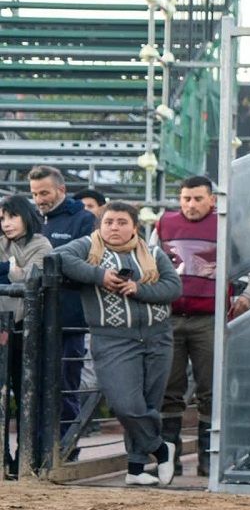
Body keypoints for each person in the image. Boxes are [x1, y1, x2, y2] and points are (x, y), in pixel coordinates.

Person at [57, 201, 182, 486]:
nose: (114, 227)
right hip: (112, 339)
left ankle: (136, 468)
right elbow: (58, 258)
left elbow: (173, 288)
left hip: (158, 336)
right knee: (125, 404)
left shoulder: (153, 252)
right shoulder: (87, 248)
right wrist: (99, 275)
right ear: (100, 225)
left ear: (134, 227)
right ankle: (161, 449)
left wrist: (139, 289)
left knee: (149, 402)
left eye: (122, 222)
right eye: (109, 221)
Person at [153, 175, 220, 476]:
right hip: (171, 316)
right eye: (185, 199)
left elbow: (247, 264)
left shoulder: (224, 224)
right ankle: (170, 459)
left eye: (197, 199)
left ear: (212, 200)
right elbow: (150, 262)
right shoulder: (164, 224)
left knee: (210, 388)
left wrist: (246, 297)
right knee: (170, 388)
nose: (191, 205)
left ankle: (208, 459)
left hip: (209, 318)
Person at [29, 166, 95, 436]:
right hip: (33, 318)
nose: (39, 199)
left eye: (44, 192)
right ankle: (33, 451)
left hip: (69, 320)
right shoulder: (31, 219)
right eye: (34, 193)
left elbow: (85, 263)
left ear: (61, 190)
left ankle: (66, 451)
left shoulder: (84, 220)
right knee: (33, 387)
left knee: (65, 385)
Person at [0, 195, 52, 477]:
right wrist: (11, 269)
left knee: (26, 396)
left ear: (25, 216)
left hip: (27, 330)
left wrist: (10, 271)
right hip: (1, 327)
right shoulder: (2, 242)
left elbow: (32, 278)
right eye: (2, 218)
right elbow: (17, 275)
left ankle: (25, 458)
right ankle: (3, 458)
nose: (6, 224)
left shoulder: (41, 244)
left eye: (11, 217)